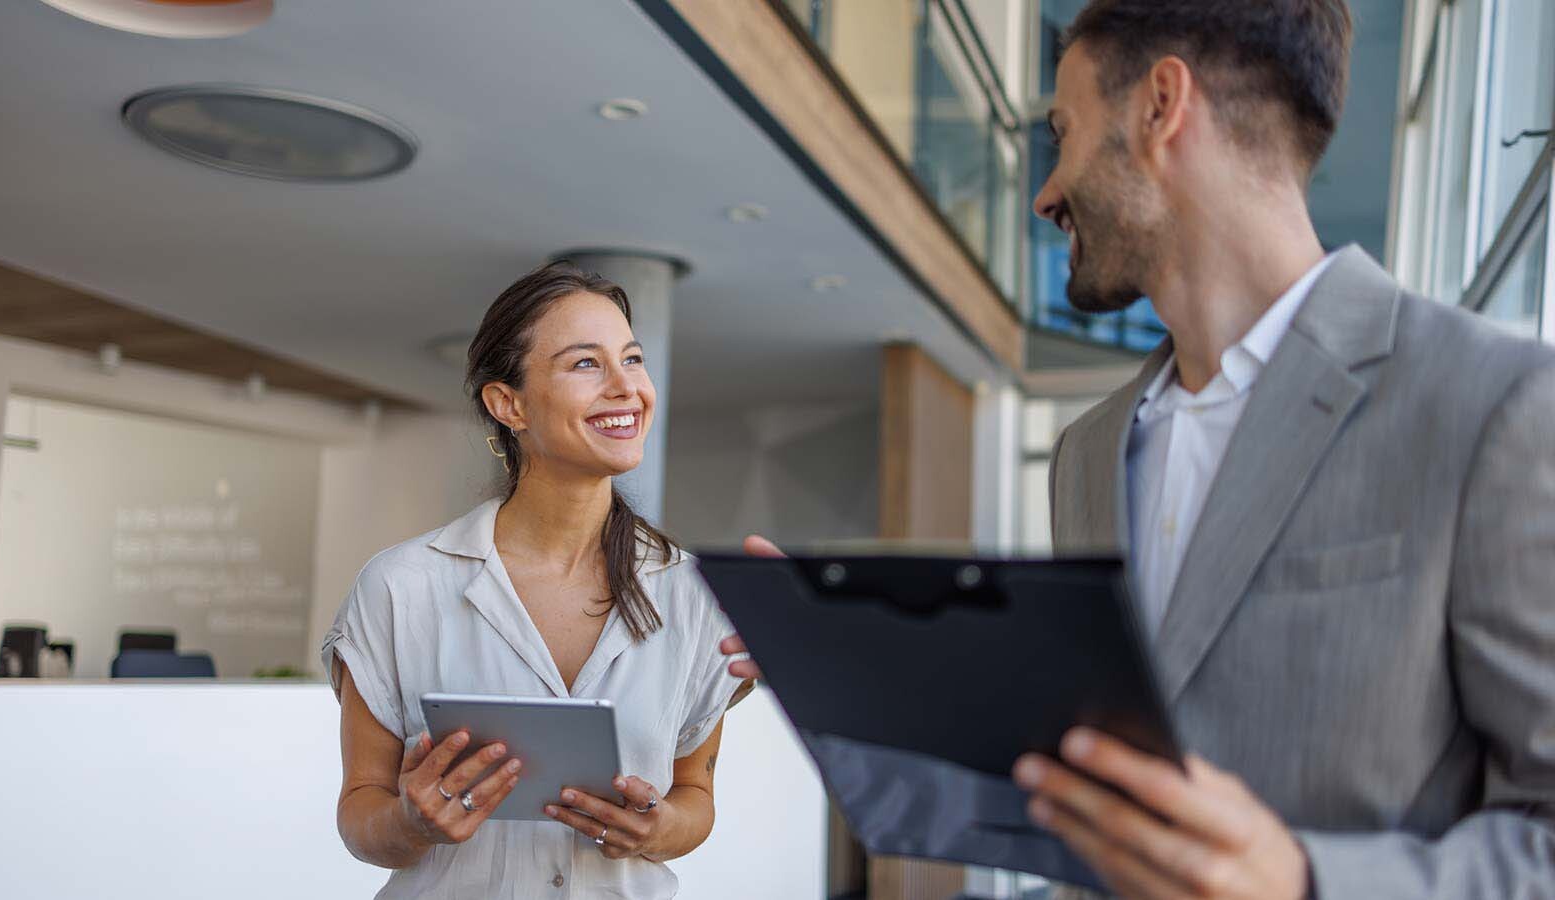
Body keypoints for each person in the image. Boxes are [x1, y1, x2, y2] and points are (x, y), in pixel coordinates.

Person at [726, 1, 1555, 896]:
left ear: (1163, 106)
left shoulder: (1496, 405)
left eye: (1064, 131)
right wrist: (854, 673)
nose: (1044, 194)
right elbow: (1078, 782)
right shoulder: (1090, 452)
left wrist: (1307, 882)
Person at [324, 261, 745, 898]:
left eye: (631, 359)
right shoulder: (398, 587)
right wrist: (411, 823)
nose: (626, 387)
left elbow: (695, 797)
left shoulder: (695, 596)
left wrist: (655, 830)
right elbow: (360, 814)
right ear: (508, 403)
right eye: (585, 364)